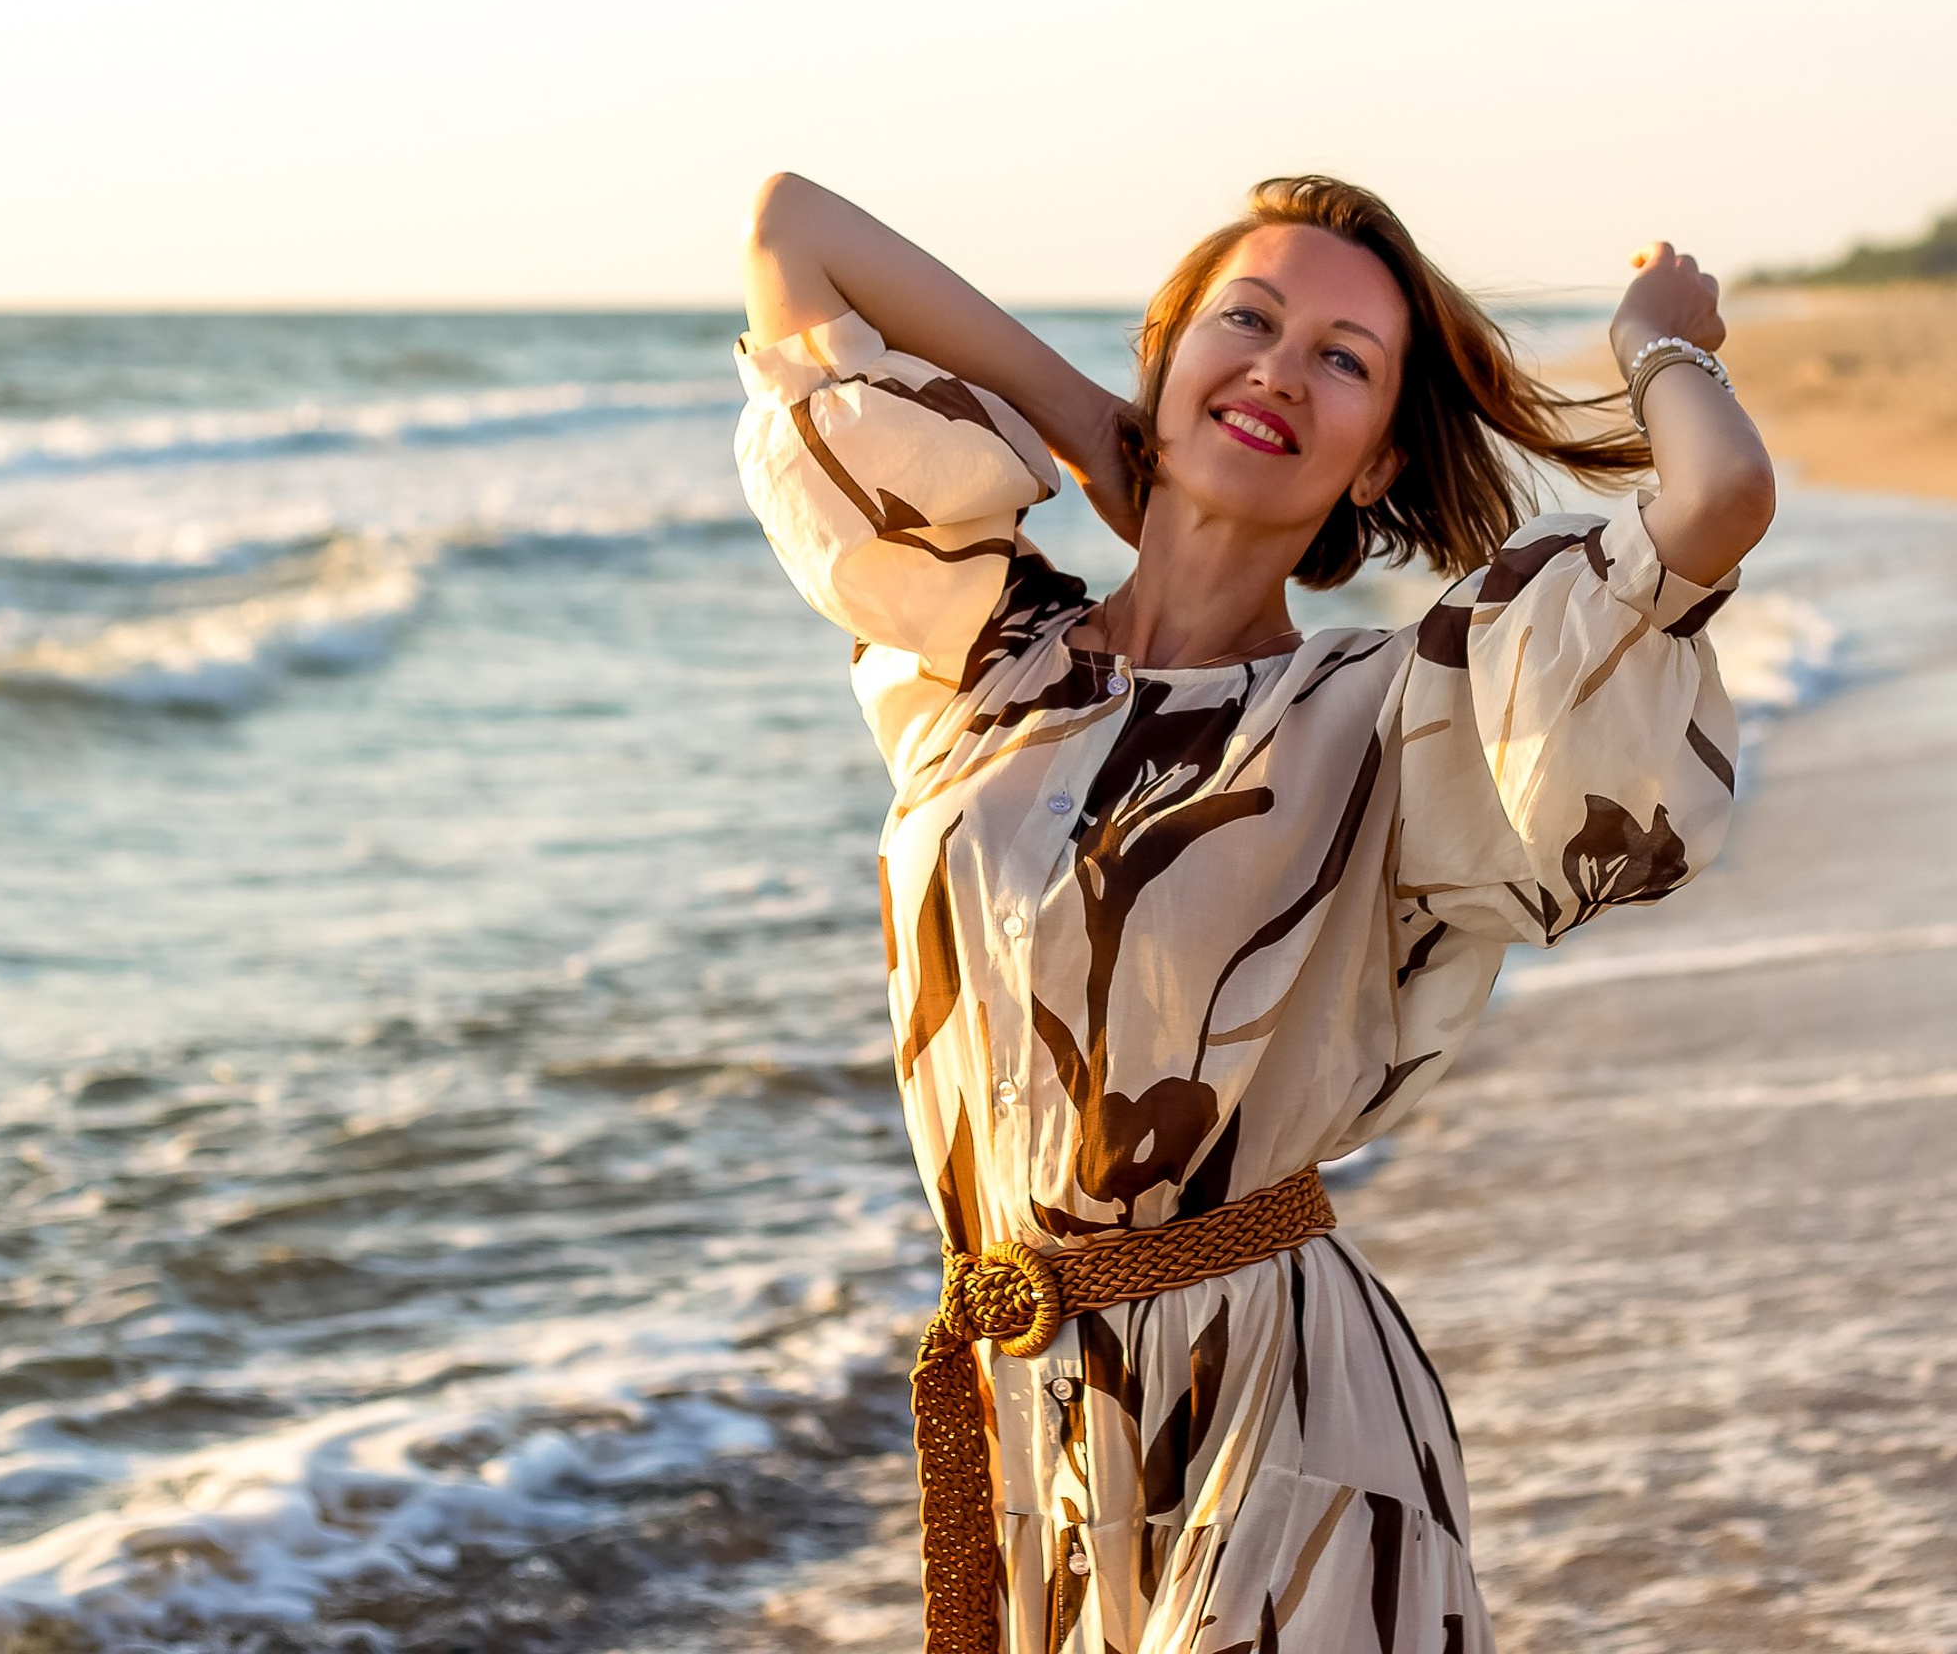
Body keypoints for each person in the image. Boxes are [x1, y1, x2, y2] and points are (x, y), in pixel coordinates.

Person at [735, 171, 1774, 1654]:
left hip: (1279, 1437)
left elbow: (1715, 504)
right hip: (1033, 1421)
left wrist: (1660, 343)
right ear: (1167, 355)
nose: (1284, 368)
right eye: (1250, 319)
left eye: (1345, 361)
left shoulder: (1393, 712)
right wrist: (1090, 418)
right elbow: (794, 234)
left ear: (1372, 465)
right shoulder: (985, 653)